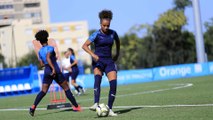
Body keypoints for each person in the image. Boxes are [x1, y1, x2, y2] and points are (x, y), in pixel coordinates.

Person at [29, 30, 81, 117]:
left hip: (47, 71)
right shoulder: (50, 48)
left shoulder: (40, 51)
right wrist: (53, 68)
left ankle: (33, 107)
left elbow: (42, 64)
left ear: (40, 41)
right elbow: (48, 57)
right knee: (66, 88)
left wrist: (48, 64)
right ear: (47, 38)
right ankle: (76, 106)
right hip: (55, 70)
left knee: (43, 91)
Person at [82, 9, 120, 116]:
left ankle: (110, 109)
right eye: (104, 25)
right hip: (98, 61)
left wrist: (117, 53)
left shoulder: (113, 33)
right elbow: (84, 46)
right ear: (100, 24)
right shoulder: (95, 34)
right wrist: (93, 55)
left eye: (108, 25)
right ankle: (95, 103)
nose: (106, 27)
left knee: (113, 85)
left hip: (109, 61)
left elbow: (118, 41)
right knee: (97, 79)